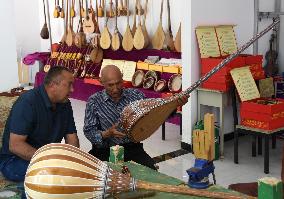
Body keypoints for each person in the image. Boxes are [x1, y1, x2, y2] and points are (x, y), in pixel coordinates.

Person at [84, 65, 187, 170]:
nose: (115, 89)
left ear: (123, 78)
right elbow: (89, 131)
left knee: (150, 172)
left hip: (132, 148)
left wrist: (174, 105)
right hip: (104, 150)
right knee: (95, 177)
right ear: (101, 82)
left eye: (119, 83)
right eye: (110, 85)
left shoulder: (136, 95)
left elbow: (155, 113)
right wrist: (107, 134)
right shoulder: (94, 101)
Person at [0, 66, 79, 183]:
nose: (72, 90)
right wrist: (50, 160)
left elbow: (72, 138)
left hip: (45, 159)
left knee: (75, 172)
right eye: (69, 84)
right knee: (53, 176)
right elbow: (15, 145)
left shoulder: (65, 104)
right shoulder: (28, 102)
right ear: (53, 85)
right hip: (14, 160)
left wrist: (74, 160)